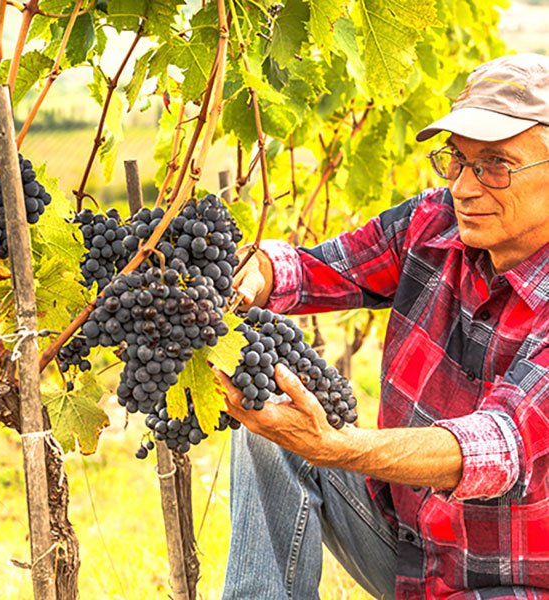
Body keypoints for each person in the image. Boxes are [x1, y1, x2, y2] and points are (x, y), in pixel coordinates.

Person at [218, 52, 549, 599]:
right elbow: (322, 267)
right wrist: (260, 270)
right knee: (269, 424)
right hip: (408, 548)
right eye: (457, 161)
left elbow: (496, 445)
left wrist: (337, 446)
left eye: (495, 165)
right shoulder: (435, 222)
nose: (464, 188)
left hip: (510, 583)